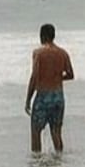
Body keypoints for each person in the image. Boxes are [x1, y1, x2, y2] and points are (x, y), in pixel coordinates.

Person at [23, 23, 75, 153]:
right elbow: (70, 75)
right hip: (58, 96)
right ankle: (59, 160)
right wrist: (57, 77)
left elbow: (35, 76)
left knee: (36, 132)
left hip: (43, 96)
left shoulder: (38, 53)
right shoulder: (63, 53)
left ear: (43, 36)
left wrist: (28, 99)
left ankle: (37, 163)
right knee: (56, 132)